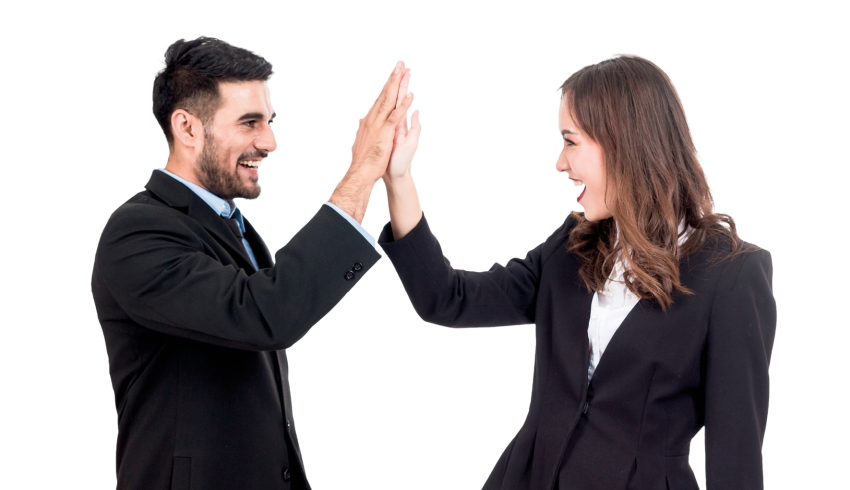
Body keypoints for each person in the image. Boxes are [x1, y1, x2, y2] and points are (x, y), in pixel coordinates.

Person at [379, 56, 776, 490]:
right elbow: (447, 298)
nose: (559, 163)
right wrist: (398, 179)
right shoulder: (572, 245)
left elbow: (735, 463)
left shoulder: (732, 275)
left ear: (623, 142)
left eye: (570, 142)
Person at [91, 37, 412, 490]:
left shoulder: (233, 228)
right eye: (249, 122)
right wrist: (363, 169)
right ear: (187, 128)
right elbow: (267, 313)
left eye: (269, 121)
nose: (270, 141)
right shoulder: (138, 233)